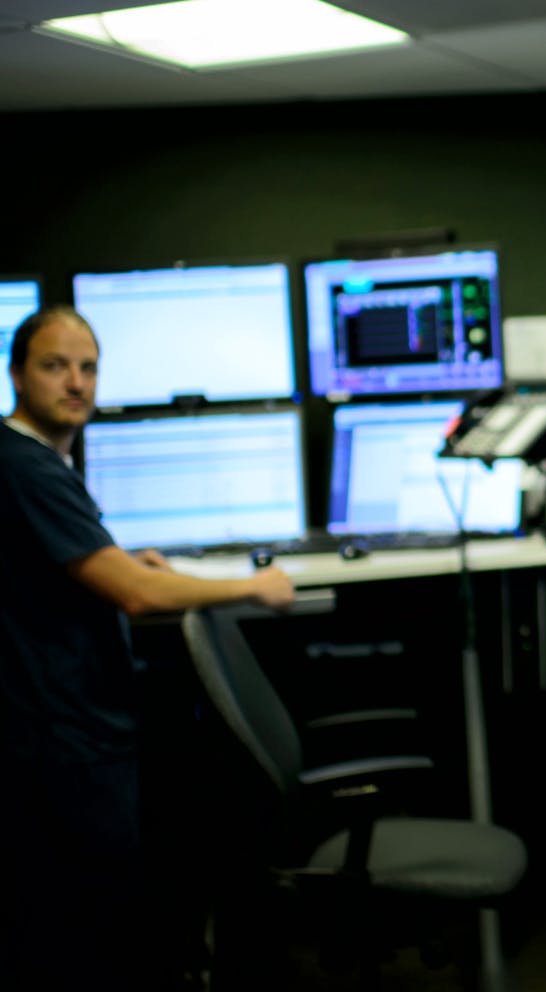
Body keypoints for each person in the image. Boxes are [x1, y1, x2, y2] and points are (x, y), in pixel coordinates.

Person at [0, 305, 297, 991]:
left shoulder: (31, 463)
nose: (76, 382)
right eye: (54, 366)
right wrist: (256, 586)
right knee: (86, 935)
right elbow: (134, 596)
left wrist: (121, 559)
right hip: (61, 748)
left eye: (88, 368)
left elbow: (55, 568)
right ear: (17, 374)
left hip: (62, 734)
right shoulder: (28, 467)